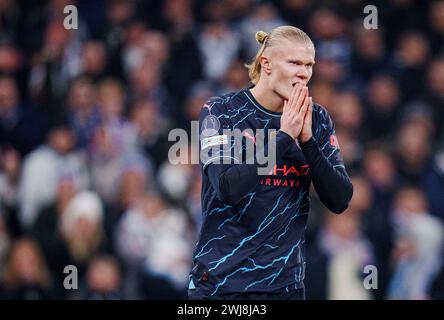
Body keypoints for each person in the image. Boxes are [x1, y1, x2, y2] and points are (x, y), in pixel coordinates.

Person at [188, 26, 353, 300]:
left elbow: (340, 200)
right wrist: (284, 137)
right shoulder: (222, 112)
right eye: (294, 63)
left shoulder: (317, 119)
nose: (304, 73)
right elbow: (228, 187)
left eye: (309, 65)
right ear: (266, 63)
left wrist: (308, 142)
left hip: (285, 286)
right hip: (221, 283)